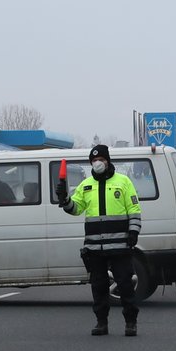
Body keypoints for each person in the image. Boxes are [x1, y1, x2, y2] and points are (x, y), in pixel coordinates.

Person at [57, 144, 142, 336]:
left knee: (125, 284)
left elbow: (134, 209)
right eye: (94, 161)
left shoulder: (124, 182)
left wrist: (133, 232)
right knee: (98, 286)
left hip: (120, 244)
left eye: (101, 160)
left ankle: (131, 322)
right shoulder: (85, 185)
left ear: (108, 161)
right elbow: (75, 209)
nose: (97, 163)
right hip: (94, 247)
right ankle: (101, 322)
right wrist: (64, 199)